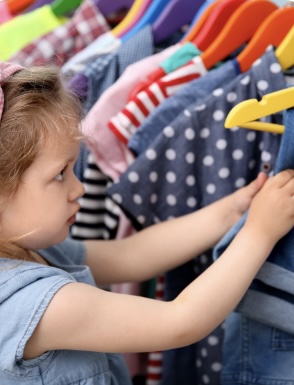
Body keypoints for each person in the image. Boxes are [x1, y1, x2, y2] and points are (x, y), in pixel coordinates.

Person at [0, 61, 294, 385]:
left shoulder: (34, 250)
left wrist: (232, 211)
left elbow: (132, 254)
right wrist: (259, 233)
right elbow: (182, 321)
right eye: (59, 174)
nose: (79, 187)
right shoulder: (39, 305)